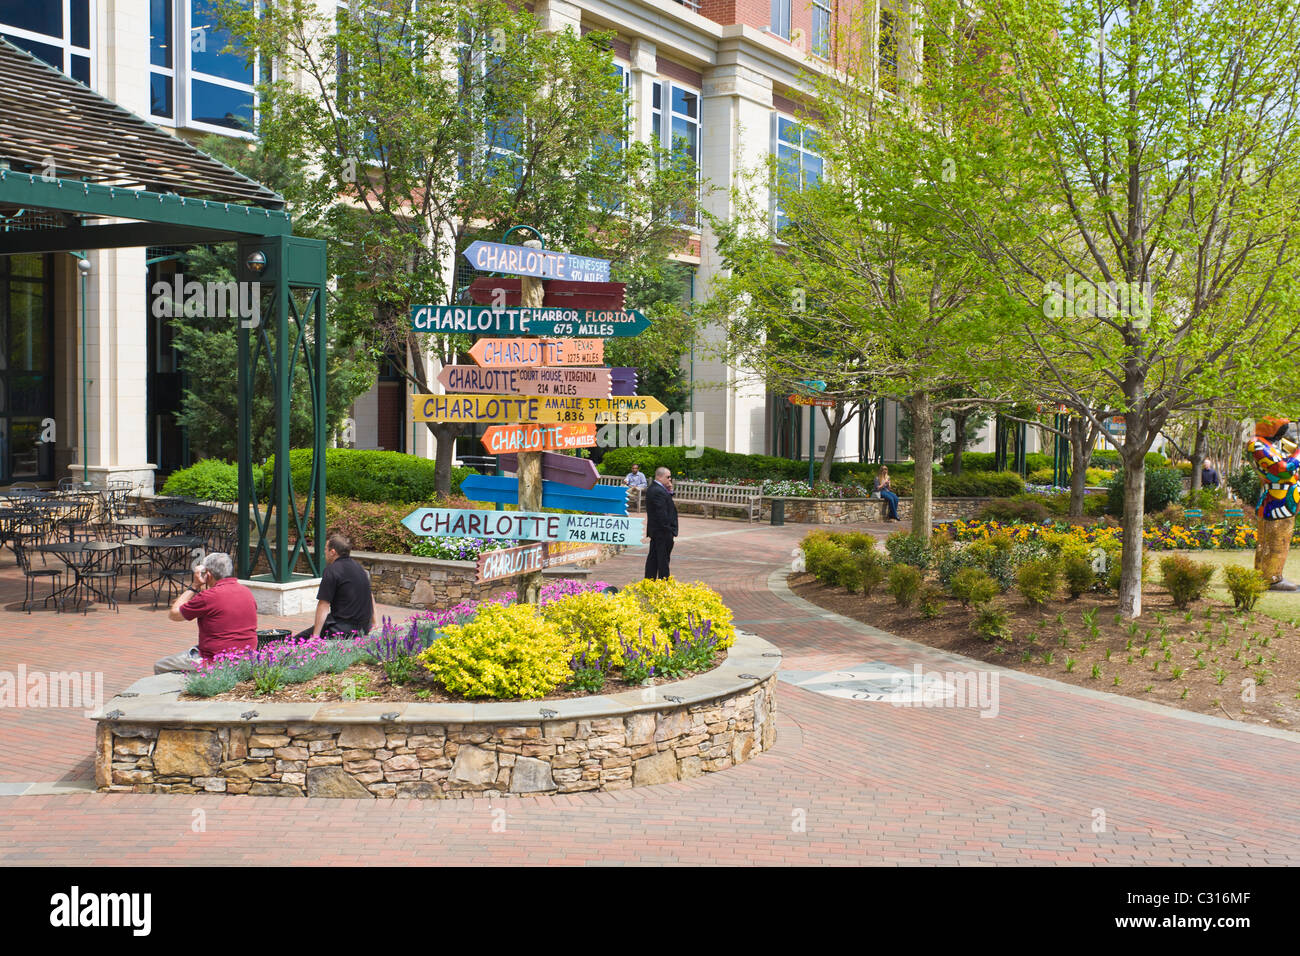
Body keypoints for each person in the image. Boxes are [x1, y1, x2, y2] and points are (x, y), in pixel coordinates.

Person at [154, 552, 257, 674]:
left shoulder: (208, 597)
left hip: (215, 661)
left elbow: (174, 614)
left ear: (208, 574)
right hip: (247, 657)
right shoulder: (246, 592)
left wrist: (195, 586)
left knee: (160, 665)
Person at [294, 534, 375, 641]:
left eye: (325, 549)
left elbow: (324, 605)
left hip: (341, 630)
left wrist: (315, 636)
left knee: (296, 641)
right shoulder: (360, 568)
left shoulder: (332, 570)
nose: (324, 552)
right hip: (363, 628)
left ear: (332, 552)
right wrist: (374, 623)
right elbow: (370, 596)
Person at [644, 466, 678, 580]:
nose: (670, 479)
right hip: (662, 532)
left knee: (654, 559)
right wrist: (669, 530)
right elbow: (661, 513)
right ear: (659, 477)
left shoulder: (658, 489)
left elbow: (666, 503)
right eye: (668, 477)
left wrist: (669, 491)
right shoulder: (657, 491)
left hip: (658, 531)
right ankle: (663, 583)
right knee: (662, 561)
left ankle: (650, 581)